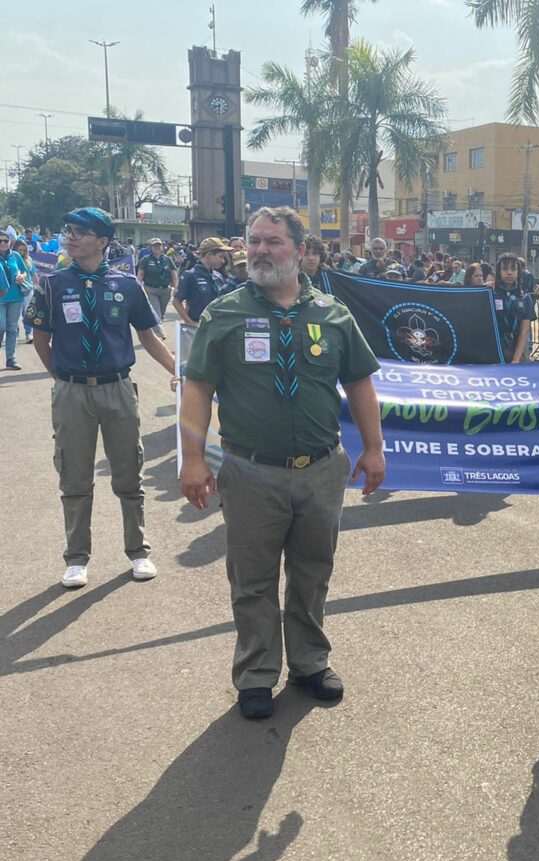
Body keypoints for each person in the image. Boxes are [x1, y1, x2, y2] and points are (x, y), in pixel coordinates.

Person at [178, 206, 386, 721]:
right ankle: (255, 674)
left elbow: (360, 383)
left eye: (273, 241)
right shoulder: (222, 313)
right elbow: (198, 388)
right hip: (251, 471)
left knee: (313, 573)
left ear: (300, 249)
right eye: (254, 241)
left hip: (320, 468)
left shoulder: (332, 314)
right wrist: (192, 459)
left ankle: (310, 663)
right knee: (252, 579)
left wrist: (375, 448)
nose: (261, 251)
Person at [25, 207, 177, 589]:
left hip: (118, 389)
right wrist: (60, 378)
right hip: (72, 391)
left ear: (103, 241)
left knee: (129, 473)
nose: (71, 237)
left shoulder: (126, 284)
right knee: (74, 476)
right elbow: (41, 339)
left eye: (80, 232)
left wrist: (179, 370)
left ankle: (138, 551)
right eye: (69, 230)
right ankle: (76, 558)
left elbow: (147, 335)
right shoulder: (51, 284)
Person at [173, 236, 232, 365]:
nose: (223, 261)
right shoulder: (190, 275)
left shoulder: (218, 276)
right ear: (209, 255)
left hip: (218, 328)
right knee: (198, 365)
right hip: (197, 327)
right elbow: (176, 301)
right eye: (221, 256)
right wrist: (189, 323)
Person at [494, 253, 534, 364]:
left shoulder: (525, 298)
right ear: (498, 272)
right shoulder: (491, 294)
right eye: (505, 269)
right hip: (496, 348)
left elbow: (524, 331)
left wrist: (516, 359)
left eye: (513, 269)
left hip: (519, 349)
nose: (509, 272)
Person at [136, 238, 178, 337]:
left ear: (162, 247)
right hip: (150, 290)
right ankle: (159, 335)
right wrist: (138, 288)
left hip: (165, 290)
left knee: (161, 314)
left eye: (159, 245)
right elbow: (140, 275)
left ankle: (155, 329)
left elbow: (174, 274)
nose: (157, 247)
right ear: (150, 247)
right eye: (155, 245)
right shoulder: (146, 260)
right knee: (156, 313)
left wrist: (176, 287)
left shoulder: (168, 259)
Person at [0, 231, 28, 368]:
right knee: (1, 327)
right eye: (0, 241)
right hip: (0, 298)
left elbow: (25, 271)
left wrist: (22, 276)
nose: (3, 243)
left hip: (16, 297)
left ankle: (10, 359)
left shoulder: (15, 256)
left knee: (12, 328)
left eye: (6, 240)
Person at [12, 238, 37, 343]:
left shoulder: (29, 260)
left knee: (27, 312)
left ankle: (28, 334)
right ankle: (15, 334)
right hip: (14, 289)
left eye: (23, 250)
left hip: (27, 289)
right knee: (15, 313)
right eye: (19, 250)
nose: (21, 252)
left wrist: (39, 286)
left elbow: (33, 274)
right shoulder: (11, 259)